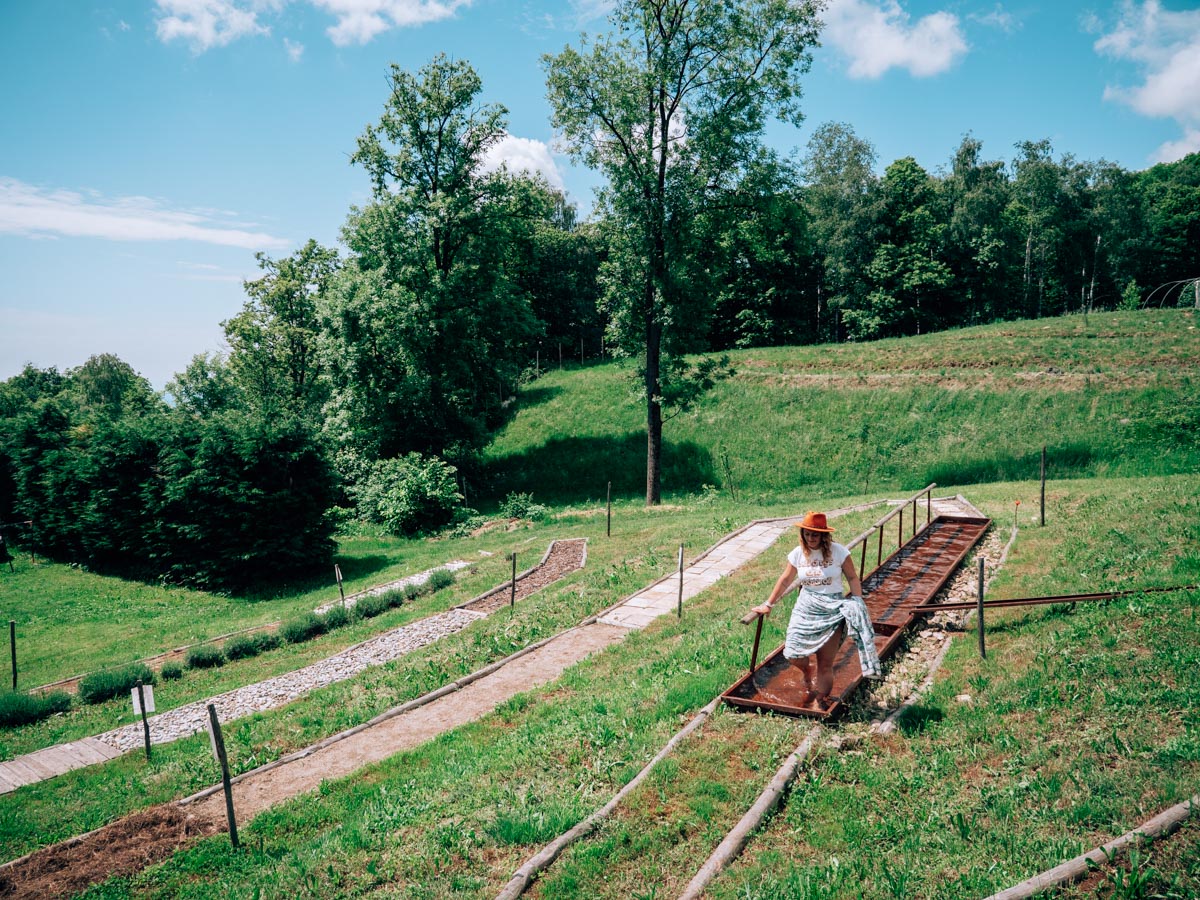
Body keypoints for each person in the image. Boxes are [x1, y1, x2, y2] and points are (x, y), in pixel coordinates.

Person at [750, 511, 881, 709]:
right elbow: (785, 579)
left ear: (823, 535)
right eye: (807, 534)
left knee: (825, 663)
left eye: (815, 534)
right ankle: (806, 670)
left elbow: (852, 578)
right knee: (792, 653)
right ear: (802, 534)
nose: (811, 538)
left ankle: (820, 701)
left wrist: (857, 600)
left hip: (832, 609)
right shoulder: (798, 553)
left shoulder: (839, 552)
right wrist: (768, 604)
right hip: (806, 606)